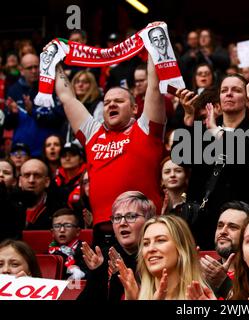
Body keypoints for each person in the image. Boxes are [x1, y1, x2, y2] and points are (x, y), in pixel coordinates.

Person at [54, 46, 166, 248]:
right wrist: (54, 63)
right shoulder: (92, 133)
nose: (111, 105)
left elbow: (154, 87)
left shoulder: (146, 128)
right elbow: (67, 97)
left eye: (119, 101)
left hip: (146, 233)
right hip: (103, 234)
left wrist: (153, 47)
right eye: (107, 103)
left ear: (134, 108)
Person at [173, 73, 249, 250]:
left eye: (236, 90)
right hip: (203, 226)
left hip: (242, 226)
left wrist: (217, 134)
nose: (229, 94)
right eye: (224, 90)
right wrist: (188, 118)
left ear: (247, 98)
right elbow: (181, 157)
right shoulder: (204, 128)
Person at [79, 191, 155, 301]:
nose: (122, 222)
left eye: (131, 216)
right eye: (117, 217)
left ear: (149, 222)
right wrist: (97, 273)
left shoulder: (155, 255)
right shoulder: (104, 257)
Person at [117, 214, 208, 300]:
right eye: (146, 243)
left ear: (181, 248)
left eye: (160, 240)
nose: (150, 249)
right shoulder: (131, 296)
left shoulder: (207, 298)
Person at [4, 53, 64, 157]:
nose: (34, 71)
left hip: (48, 151)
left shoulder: (52, 87)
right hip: (22, 152)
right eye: (29, 68)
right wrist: (12, 114)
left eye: (36, 67)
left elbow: (59, 118)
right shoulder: (13, 90)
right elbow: (8, 125)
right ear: (21, 70)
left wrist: (33, 112)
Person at [201, 201, 249, 298]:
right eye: (220, 226)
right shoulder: (203, 274)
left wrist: (223, 282)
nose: (223, 231)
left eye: (232, 227)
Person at [20, 158, 65, 230]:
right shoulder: (7, 208)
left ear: (47, 182)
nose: (31, 180)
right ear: (20, 181)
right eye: (27, 175)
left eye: (37, 176)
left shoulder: (59, 210)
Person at [49, 208, 89, 280]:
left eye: (67, 225)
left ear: (78, 232)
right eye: (57, 226)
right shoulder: (49, 252)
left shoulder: (85, 251)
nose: (62, 230)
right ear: (52, 232)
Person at [54, 142, 86, 208]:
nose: (67, 158)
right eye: (63, 156)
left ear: (81, 159)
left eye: (72, 155)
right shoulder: (55, 180)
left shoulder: (87, 178)